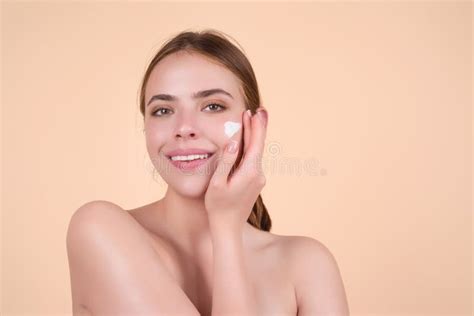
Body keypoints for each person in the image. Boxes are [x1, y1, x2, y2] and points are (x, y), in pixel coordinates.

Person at [66, 29, 350, 316]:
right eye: (163, 110)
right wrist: (226, 228)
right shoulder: (100, 231)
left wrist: (225, 229)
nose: (184, 127)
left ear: (255, 124)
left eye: (213, 106)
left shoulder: (307, 266)